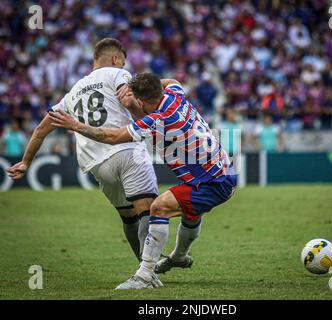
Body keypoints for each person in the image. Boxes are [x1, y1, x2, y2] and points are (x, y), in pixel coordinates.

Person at [48, 72, 238, 290]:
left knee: (159, 207)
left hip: (213, 183)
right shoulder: (175, 95)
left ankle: (144, 275)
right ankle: (178, 257)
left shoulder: (158, 120)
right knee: (191, 211)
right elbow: (173, 81)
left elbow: (112, 137)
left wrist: (75, 124)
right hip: (224, 171)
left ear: (141, 101)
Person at [6, 39, 162, 287]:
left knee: (128, 218)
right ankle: (147, 271)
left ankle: (144, 269)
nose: (126, 65)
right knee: (148, 212)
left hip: (97, 165)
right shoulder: (119, 73)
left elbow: (40, 129)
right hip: (127, 151)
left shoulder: (73, 92)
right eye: (124, 60)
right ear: (115, 59)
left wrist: (25, 162)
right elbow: (132, 104)